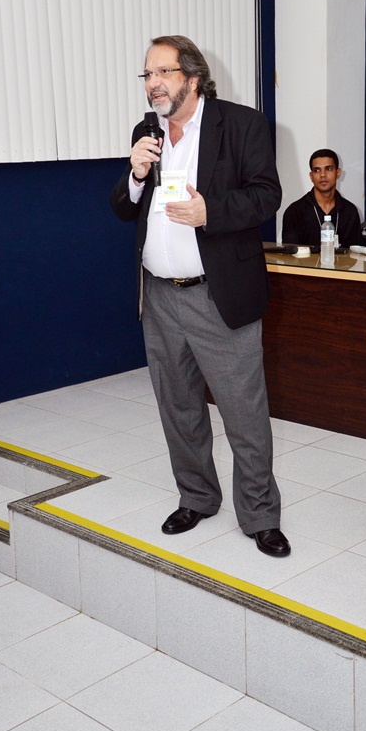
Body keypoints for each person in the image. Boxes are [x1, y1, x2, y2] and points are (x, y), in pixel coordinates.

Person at [110, 35, 290, 557]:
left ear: (192, 76)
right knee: (178, 407)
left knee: (244, 414)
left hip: (218, 296)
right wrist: (136, 174)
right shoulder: (147, 132)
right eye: (147, 75)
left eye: (162, 73)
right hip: (159, 298)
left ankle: (260, 515)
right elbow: (123, 207)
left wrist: (211, 212)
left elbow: (267, 196)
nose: (153, 84)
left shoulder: (242, 124)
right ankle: (196, 497)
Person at [282, 149, 362, 247]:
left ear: (338, 173)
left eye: (328, 169)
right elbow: (290, 254)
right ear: (311, 176)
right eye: (317, 170)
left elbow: (356, 252)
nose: (323, 175)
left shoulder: (350, 211)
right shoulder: (294, 212)